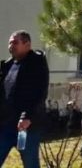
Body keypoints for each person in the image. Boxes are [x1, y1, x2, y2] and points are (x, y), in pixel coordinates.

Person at [0, 31, 50, 168]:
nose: (11, 46)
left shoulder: (37, 64)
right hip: (5, 126)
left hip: (26, 128)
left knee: (30, 164)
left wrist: (28, 117)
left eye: (15, 42)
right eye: (10, 43)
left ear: (27, 45)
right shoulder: (8, 65)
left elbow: (40, 93)